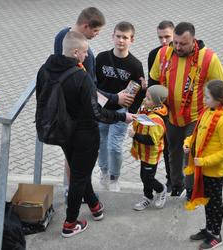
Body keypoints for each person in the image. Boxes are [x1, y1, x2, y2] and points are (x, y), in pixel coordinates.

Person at [36, 31, 135, 238]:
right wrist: (121, 117)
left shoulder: (45, 70)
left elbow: (41, 99)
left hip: (63, 132)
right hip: (85, 134)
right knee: (79, 178)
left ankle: (95, 207)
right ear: (75, 52)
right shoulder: (80, 77)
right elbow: (96, 113)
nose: (86, 56)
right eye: (84, 52)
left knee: (80, 172)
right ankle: (70, 224)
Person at [54, 7, 134, 201]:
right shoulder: (85, 53)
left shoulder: (62, 36)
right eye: (95, 31)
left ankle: (71, 189)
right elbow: (90, 91)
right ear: (86, 26)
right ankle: (77, 193)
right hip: (81, 113)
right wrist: (116, 98)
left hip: (67, 109)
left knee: (71, 155)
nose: (97, 35)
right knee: (82, 157)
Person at [149, 22, 223, 197]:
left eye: (183, 44)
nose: (177, 47)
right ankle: (176, 185)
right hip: (171, 116)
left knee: (190, 154)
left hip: (196, 117)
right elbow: (153, 80)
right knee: (173, 152)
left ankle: (191, 189)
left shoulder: (209, 58)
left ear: (193, 40)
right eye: (176, 42)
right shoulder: (163, 53)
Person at [183, 80, 223, 249]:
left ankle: (216, 234)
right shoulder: (209, 111)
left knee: (214, 203)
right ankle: (209, 229)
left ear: (218, 100)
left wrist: (205, 161)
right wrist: (188, 143)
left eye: (207, 97)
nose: (204, 100)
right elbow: (197, 133)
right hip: (202, 168)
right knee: (207, 201)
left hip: (213, 171)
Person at [96, 21, 146, 192]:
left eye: (125, 37)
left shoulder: (135, 65)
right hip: (102, 109)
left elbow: (139, 92)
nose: (121, 40)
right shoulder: (101, 58)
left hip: (121, 111)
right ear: (112, 36)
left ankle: (114, 177)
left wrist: (130, 113)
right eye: (118, 36)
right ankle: (103, 171)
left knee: (114, 146)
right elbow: (93, 85)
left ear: (132, 40)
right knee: (101, 142)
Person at [129, 85, 168, 211]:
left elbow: (151, 140)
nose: (145, 100)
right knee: (144, 176)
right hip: (143, 152)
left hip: (151, 154)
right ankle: (147, 197)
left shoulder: (156, 119)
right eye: (145, 97)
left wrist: (135, 135)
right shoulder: (147, 108)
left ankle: (161, 190)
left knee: (147, 177)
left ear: (157, 103)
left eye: (148, 99)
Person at [148, 20, 174, 193]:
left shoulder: (180, 53)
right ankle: (168, 180)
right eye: (160, 37)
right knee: (163, 147)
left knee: (177, 149)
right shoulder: (154, 54)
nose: (164, 41)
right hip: (162, 110)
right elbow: (152, 81)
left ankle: (178, 180)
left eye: (167, 37)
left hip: (182, 109)